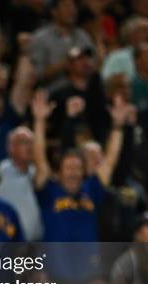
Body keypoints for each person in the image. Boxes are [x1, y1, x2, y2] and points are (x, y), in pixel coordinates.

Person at [31, 90, 127, 242]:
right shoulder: (49, 190)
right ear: (59, 173)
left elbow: (110, 161)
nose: (74, 173)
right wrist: (39, 121)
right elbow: (39, 158)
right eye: (69, 168)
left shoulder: (91, 189)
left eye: (77, 168)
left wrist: (117, 127)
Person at [29, 0, 95, 88]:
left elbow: (94, 64)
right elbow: (38, 75)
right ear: (54, 12)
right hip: (54, 92)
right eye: (66, 6)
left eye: (74, 6)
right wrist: (66, 63)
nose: (72, 10)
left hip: (83, 91)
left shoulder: (83, 36)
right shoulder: (40, 38)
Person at [0, 126, 43, 242]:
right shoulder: (0, 172)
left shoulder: (35, 172)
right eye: (23, 142)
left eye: (31, 143)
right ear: (11, 147)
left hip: (36, 244)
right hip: (10, 244)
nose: (29, 147)